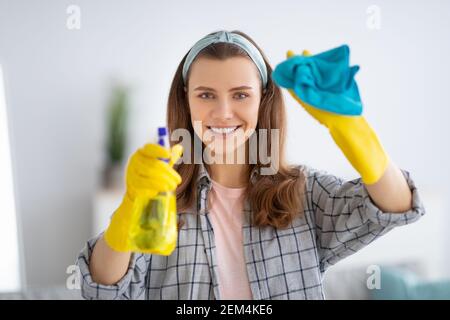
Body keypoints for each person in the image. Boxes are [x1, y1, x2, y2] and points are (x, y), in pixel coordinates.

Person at [76, 30, 425, 300]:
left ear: (263, 99)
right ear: (186, 98)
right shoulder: (159, 195)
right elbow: (101, 287)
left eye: (241, 94)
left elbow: (395, 204)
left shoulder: (304, 192)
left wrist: (349, 127)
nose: (223, 112)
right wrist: (131, 207)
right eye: (206, 94)